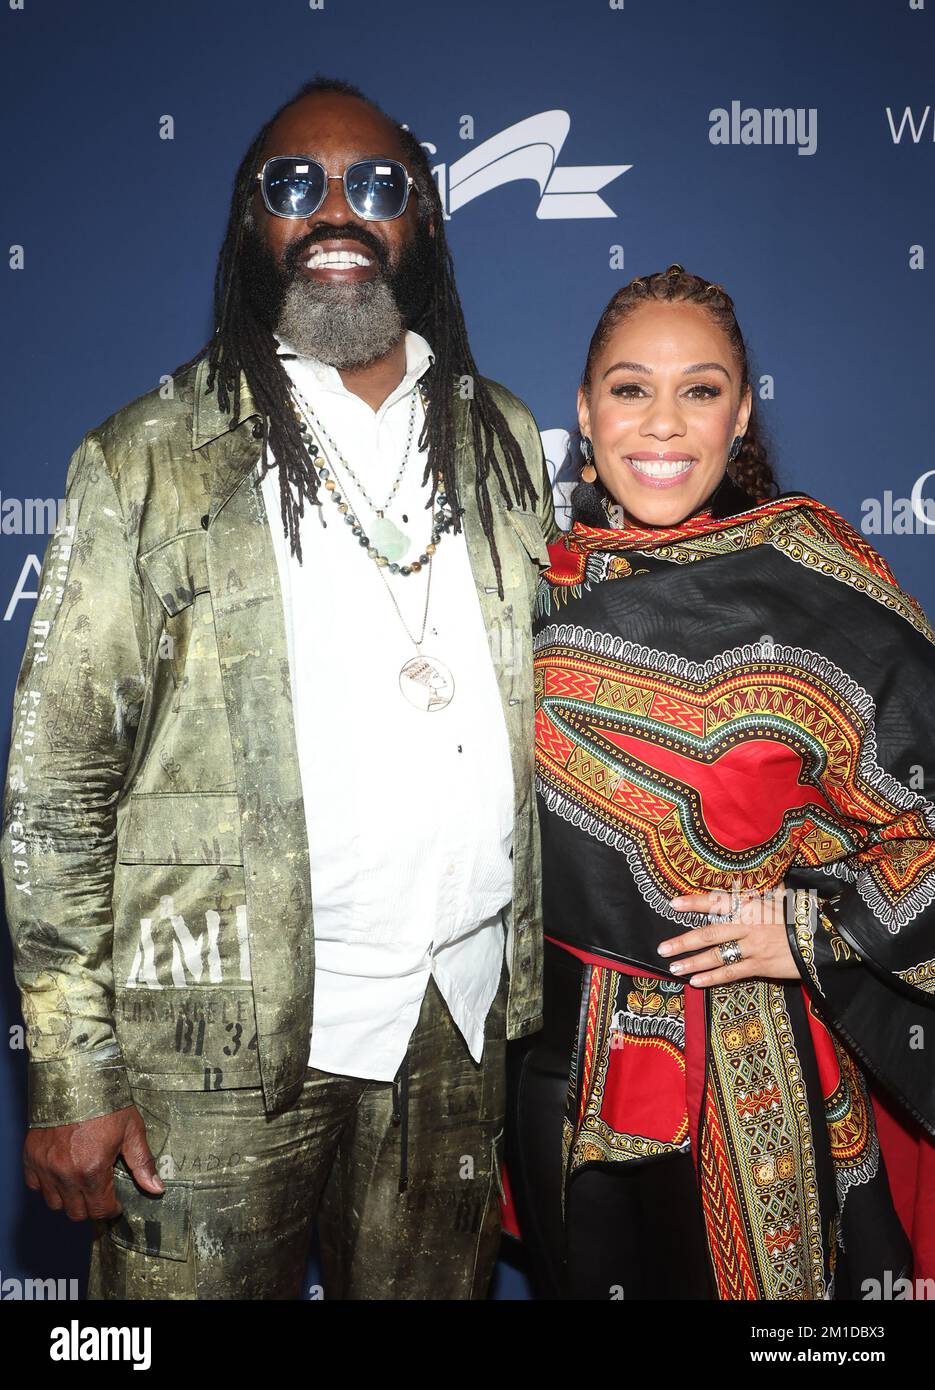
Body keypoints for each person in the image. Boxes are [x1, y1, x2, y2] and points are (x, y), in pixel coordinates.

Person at [0, 76, 558, 1300]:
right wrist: (76, 1073)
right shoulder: (146, 456)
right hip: (212, 1043)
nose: (336, 212)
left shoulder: (502, 438)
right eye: (293, 186)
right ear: (251, 229)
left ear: (423, 220)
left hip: (452, 1023)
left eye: (377, 185)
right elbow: (57, 788)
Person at [504, 263, 935, 1300]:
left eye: (698, 391)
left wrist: (811, 933)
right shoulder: (522, 574)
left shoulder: (816, 576)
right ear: (582, 409)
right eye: (628, 388)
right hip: (552, 1071)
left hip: (749, 1068)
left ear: (740, 414)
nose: (661, 425)